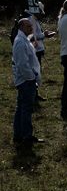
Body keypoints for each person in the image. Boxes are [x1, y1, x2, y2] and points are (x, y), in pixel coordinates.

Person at [12, 18, 42, 146]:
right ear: (21, 27)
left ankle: (19, 135)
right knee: (26, 109)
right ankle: (26, 136)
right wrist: (31, 77)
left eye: (31, 26)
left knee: (22, 108)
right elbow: (22, 64)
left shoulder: (24, 40)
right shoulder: (20, 42)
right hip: (26, 81)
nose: (31, 28)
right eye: (28, 26)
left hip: (26, 80)